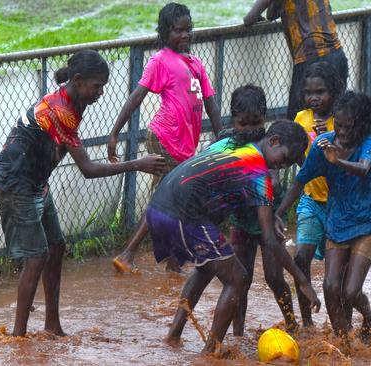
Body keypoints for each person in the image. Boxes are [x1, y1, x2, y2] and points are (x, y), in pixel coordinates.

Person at [0, 50, 166, 337]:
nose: (101, 92)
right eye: (97, 85)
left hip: (33, 179)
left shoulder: (74, 101)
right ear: (79, 80)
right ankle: (18, 337)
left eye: (103, 86)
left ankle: (52, 325)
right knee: (36, 257)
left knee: (56, 248)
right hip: (15, 181)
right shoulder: (62, 110)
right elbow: (86, 169)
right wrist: (136, 164)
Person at [146, 120, 321, 354]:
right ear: (274, 141)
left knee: (205, 269)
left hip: (158, 206)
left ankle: (174, 335)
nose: (283, 165)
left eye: (290, 164)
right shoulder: (259, 173)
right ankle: (210, 352)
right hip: (184, 214)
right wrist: (302, 280)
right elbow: (269, 239)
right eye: (286, 157)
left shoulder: (232, 142)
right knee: (238, 278)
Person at [108, 2, 222, 274]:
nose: (184, 36)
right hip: (165, 139)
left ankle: (171, 262)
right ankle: (131, 254)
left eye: (188, 30)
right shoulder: (160, 60)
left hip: (186, 146)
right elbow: (137, 96)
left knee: (172, 201)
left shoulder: (196, 64)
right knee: (167, 200)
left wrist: (224, 139)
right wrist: (114, 133)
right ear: (165, 32)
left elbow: (211, 105)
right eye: (178, 31)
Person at [275, 91, 371, 347]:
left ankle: (369, 315)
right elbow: (301, 181)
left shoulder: (368, 143)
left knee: (351, 291)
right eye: (340, 125)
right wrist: (278, 214)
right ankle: (344, 344)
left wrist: (339, 161)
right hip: (337, 224)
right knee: (330, 286)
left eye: (349, 127)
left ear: (363, 125)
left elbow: (364, 169)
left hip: (368, 225)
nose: (342, 132)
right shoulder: (324, 144)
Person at [223, 85, 297, 336]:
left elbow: (274, 181)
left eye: (256, 123)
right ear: (233, 119)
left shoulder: (268, 141)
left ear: (264, 118)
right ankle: (237, 334)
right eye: (244, 124)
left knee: (274, 277)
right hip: (242, 220)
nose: (251, 130)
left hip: (269, 216)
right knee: (240, 279)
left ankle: (292, 324)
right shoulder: (228, 142)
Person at [291, 61, 343, 327]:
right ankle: (307, 322)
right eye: (309, 92)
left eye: (320, 92)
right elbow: (298, 157)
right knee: (301, 257)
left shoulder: (343, 120)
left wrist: (328, 141)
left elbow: (347, 159)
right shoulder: (301, 119)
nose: (314, 97)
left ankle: (340, 322)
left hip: (338, 204)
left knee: (337, 271)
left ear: (333, 92)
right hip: (311, 199)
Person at [243, 0, 349, 120]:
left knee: (296, 125)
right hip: (336, 54)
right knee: (335, 118)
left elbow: (249, 19)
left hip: (309, 58)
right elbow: (272, 14)